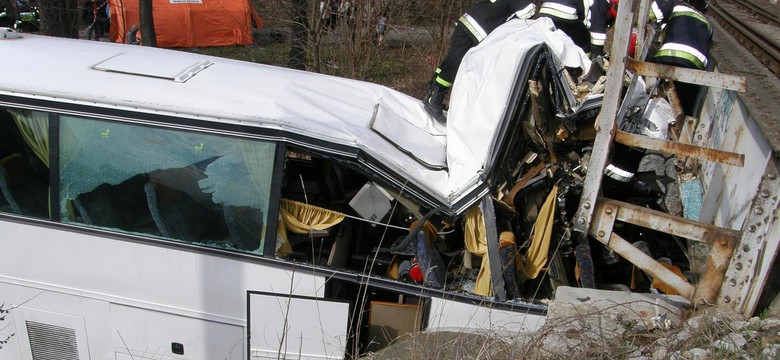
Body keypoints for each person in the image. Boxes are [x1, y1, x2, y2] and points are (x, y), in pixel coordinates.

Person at [422, 0, 536, 124]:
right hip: (478, 29)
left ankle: (431, 93)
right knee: (455, 65)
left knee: (451, 60)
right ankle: (434, 100)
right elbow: (527, 14)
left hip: (467, 21)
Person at [651, 0, 712, 116]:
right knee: (685, 105)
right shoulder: (708, 24)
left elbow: (652, 13)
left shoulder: (677, 6)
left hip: (667, 57)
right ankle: (681, 126)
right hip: (694, 68)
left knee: (654, 93)